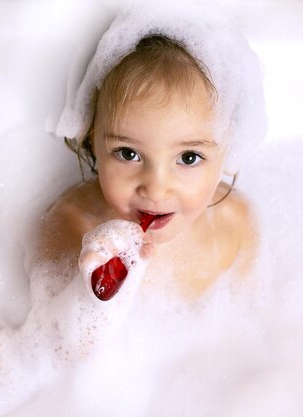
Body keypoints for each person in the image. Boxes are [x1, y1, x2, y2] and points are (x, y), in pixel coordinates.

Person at [32, 1, 266, 308]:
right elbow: (60, 343)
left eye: (189, 158)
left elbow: (251, 324)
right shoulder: (69, 227)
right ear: (91, 136)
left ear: (229, 148)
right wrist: (88, 300)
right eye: (128, 153)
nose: (155, 188)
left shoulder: (234, 224)